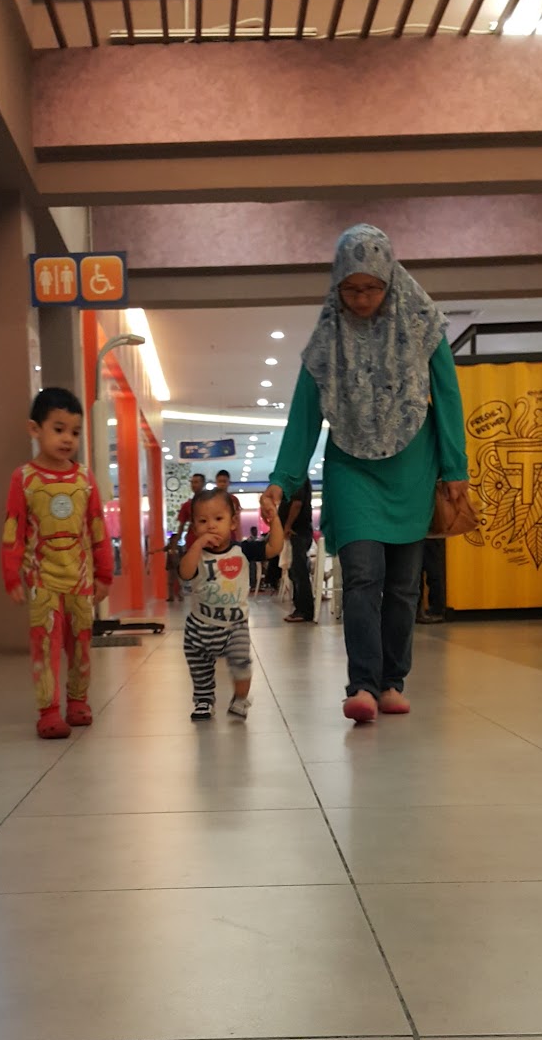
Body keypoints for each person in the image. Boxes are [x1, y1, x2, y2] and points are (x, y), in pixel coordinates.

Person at [262, 224, 469, 723]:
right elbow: (304, 415)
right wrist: (281, 479)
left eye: (372, 287)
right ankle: (362, 685)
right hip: (352, 467)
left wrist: (454, 466)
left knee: (402, 584)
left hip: (412, 467)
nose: (361, 299)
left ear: (390, 280)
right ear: (336, 285)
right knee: (361, 575)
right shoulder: (327, 338)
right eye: (351, 289)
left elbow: (446, 395)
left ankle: (393, 681)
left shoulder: (422, 323)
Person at [2, 387, 112, 738]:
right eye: (59, 429)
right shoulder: (24, 479)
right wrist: (12, 575)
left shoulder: (85, 479)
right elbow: (13, 529)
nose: (68, 439)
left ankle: (78, 701)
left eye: (75, 432)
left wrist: (104, 574)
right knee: (45, 646)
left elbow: (97, 527)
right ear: (34, 429)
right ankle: (48, 711)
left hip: (80, 582)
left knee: (81, 644)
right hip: (43, 583)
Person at [179, 487, 283, 721]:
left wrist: (274, 519)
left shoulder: (242, 550)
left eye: (218, 519)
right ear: (194, 528)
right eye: (203, 521)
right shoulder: (196, 555)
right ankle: (204, 700)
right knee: (199, 667)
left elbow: (273, 548)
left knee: (240, 661)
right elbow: (185, 573)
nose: (211, 526)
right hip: (199, 626)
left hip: (234, 625)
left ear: (233, 522)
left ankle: (240, 698)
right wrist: (196, 545)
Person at [280, 478, 315, 623]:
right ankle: (300, 608)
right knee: (295, 571)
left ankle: (304, 610)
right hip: (298, 531)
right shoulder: (297, 480)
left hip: (297, 531)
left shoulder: (298, 480)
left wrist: (287, 526)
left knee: (299, 571)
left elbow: (297, 504)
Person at [172, 473, 207, 551]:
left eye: (196, 482)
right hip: (192, 540)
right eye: (192, 482)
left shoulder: (211, 503)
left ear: (203, 484)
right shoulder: (187, 505)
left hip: (208, 540)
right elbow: (181, 525)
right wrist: (175, 543)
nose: (193, 485)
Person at [417, 538, 447, 623]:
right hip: (432, 536)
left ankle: (419, 611)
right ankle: (437, 611)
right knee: (433, 573)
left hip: (422, 536)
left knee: (419, 574)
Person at [214, 469, 242, 537]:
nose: (222, 484)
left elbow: (237, 519)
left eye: (224, 481)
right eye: (220, 481)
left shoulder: (234, 500)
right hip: (215, 533)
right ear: (216, 482)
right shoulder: (210, 499)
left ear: (229, 482)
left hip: (231, 534)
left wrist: (239, 536)